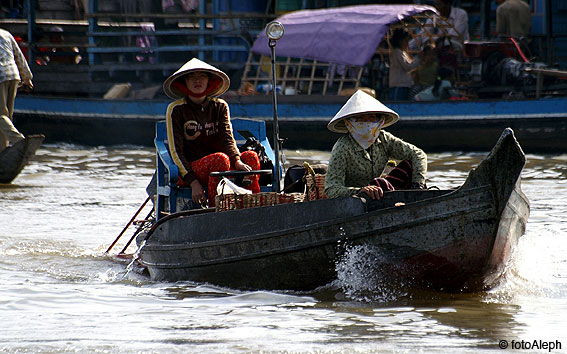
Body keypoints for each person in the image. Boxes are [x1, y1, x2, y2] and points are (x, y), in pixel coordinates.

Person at [163, 58, 261, 207]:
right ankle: (216, 209)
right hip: (192, 171)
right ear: (185, 82)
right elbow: (176, 151)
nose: (197, 81)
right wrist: (193, 182)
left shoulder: (220, 106)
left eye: (202, 76)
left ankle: (251, 207)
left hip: (222, 167)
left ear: (209, 81)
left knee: (251, 157)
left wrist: (237, 160)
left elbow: (227, 139)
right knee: (219, 159)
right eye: (192, 77)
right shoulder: (176, 109)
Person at [324, 90, 427, 200]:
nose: (367, 123)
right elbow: (331, 189)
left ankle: (413, 198)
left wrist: (418, 185)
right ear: (349, 123)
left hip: (380, 191)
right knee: (379, 183)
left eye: (371, 118)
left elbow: (418, 154)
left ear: (379, 121)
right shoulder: (342, 148)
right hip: (358, 199)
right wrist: (360, 190)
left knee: (409, 166)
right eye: (360, 119)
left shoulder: (384, 139)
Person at [0, 28, 33, 154]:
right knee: (6, 118)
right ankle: (3, 151)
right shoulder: (5, 34)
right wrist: (27, 77)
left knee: (1, 116)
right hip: (13, 75)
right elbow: (19, 56)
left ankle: (19, 141)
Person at [389, 28, 420, 101]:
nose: (407, 43)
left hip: (405, 85)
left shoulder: (403, 53)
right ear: (400, 41)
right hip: (398, 85)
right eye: (406, 41)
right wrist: (419, 59)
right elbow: (407, 67)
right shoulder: (397, 52)